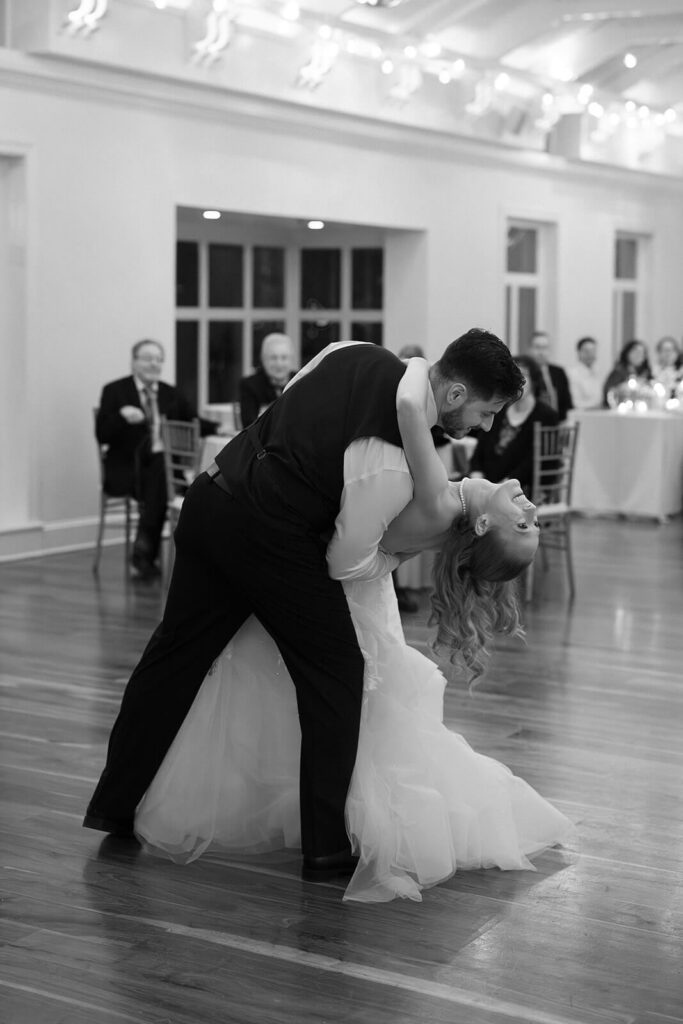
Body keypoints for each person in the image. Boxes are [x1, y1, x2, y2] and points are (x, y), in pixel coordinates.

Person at [83, 330, 526, 881]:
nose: (483, 427)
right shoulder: (388, 461)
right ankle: (325, 847)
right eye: (485, 412)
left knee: (173, 658)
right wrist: (393, 557)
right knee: (338, 673)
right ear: (456, 394)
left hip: (210, 498)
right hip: (270, 536)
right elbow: (346, 561)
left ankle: (114, 805)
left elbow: (288, 403)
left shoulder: (352, 350)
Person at [95, 339, 225, 579]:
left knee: (173, 473)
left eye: (158, 359)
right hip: (126, 469)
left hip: (160, 471)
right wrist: (121, 416)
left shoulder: (170, 393)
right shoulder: (115, 391)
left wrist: (221, 427)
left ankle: (145, 550)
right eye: (147, 358)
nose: (153, 364)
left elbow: (193, 422)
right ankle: (152, 552)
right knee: (164, 475)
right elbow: (102, 433)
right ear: (133, 362)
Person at [468, 354, 559, 497]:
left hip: (522, 490)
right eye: (512, 376)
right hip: (487, 487)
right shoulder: (498, 410)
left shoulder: (547, 416)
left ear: (534, 380)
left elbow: (536, 464)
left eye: (523, 376)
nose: (517, 381)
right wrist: (477, 479)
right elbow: (480, 450)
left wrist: (504, 486)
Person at [238, 332, 296, 427]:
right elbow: (250, 426)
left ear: (291, 359)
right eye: (273, 358)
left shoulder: (302, 381)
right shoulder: (250, 385)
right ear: (263, 360)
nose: (279, 364)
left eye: (284, 357)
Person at [529, 331, 573, 422]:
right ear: (530, 349)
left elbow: (567, 402)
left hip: (558, 423)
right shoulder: (526, 372)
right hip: (533, 424)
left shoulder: (559, 372)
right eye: (537, 347)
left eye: (545, 348)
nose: (541, 352)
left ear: (549, 350)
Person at [602, 339, 652, 407]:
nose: (638, 356)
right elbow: (609, 392)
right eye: (635, 352)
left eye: (642, 353)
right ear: (627, 353)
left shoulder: (646, 373)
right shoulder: (619, 372)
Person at [567, 336, 601, 410]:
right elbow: (575, 403)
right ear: (579, 352)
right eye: (586, 351)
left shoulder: (596, 372)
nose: (590, 354)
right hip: (581, 415)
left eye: (593, 351)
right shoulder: (572, 374)